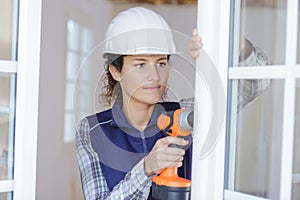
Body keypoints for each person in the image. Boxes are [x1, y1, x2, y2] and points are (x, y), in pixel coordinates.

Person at [76, 7, 270, 200]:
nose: (154, 76)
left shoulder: (185, 116)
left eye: (161, 63)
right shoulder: (91, 131)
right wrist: (146, 170)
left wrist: (235, 44)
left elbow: (256, 84)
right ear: (116, 71)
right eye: (140, 64)